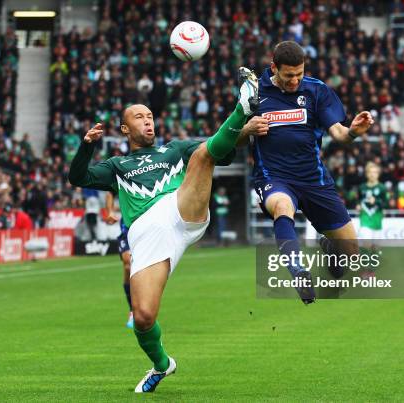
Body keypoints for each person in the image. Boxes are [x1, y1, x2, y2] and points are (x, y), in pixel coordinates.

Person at [68, 67, 258, 393]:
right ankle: (162, 365)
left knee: (202, 154)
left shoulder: (174, 149)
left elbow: (217, 148)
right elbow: (78, 178)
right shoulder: (117, 166)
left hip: (180, 211)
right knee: (143, 316)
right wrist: (86, 146)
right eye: (140, 117)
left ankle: (243, 105)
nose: (147, 120)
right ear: (125, 128)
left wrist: (244, 125)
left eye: (150, 115)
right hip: (146, 235)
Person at [241, 41, 374, 303]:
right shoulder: (254, 94)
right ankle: (298, 271)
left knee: (350, 253)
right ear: (273, 68)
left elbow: (339, 133)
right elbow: (229, 138)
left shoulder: (316, 90)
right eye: (289, 75)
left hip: (314, 180)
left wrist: (354, 133)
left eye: (299, 74)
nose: (295, 81)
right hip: (274, 177)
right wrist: (246, 130)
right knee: (282, 206)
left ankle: (330, 250)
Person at [105, 191, 134, 329]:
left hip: (148, 227)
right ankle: (133, 310)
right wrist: (110, 211)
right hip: (127, 229)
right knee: (128, 265)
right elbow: (110, 192)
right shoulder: (125, 170)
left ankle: (144, 308)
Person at [357, 162, 387, 255]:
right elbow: (359, 200)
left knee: (376, 247)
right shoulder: (362, 187)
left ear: (378, 174)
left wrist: (376, 201)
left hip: (377, 218)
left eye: (375, 172)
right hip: (365, 217)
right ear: (366, 174)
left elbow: (385, 204)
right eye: (370, 172)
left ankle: (372, 265)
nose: (372, 174)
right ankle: (365, 266)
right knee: (367, 243)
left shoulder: (382, 188)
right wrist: (358, 205)